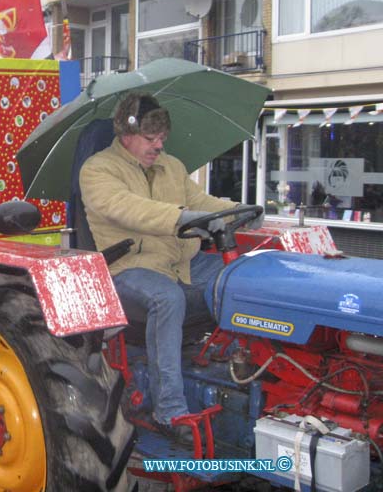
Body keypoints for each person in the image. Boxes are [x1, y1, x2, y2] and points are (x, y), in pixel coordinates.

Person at [79, 92, 263, 444]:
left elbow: (202, 203)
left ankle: (247, 372)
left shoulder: (172, 167)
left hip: (182, 263)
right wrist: (181, 218)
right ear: (126, 134)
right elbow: (127, 208)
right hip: (127, 269)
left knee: (241, 279)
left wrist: (238, 209)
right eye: (151, 138)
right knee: (167, 299)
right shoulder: (98, 170)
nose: (159, 145)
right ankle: (169, 410)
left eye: (162, 138)